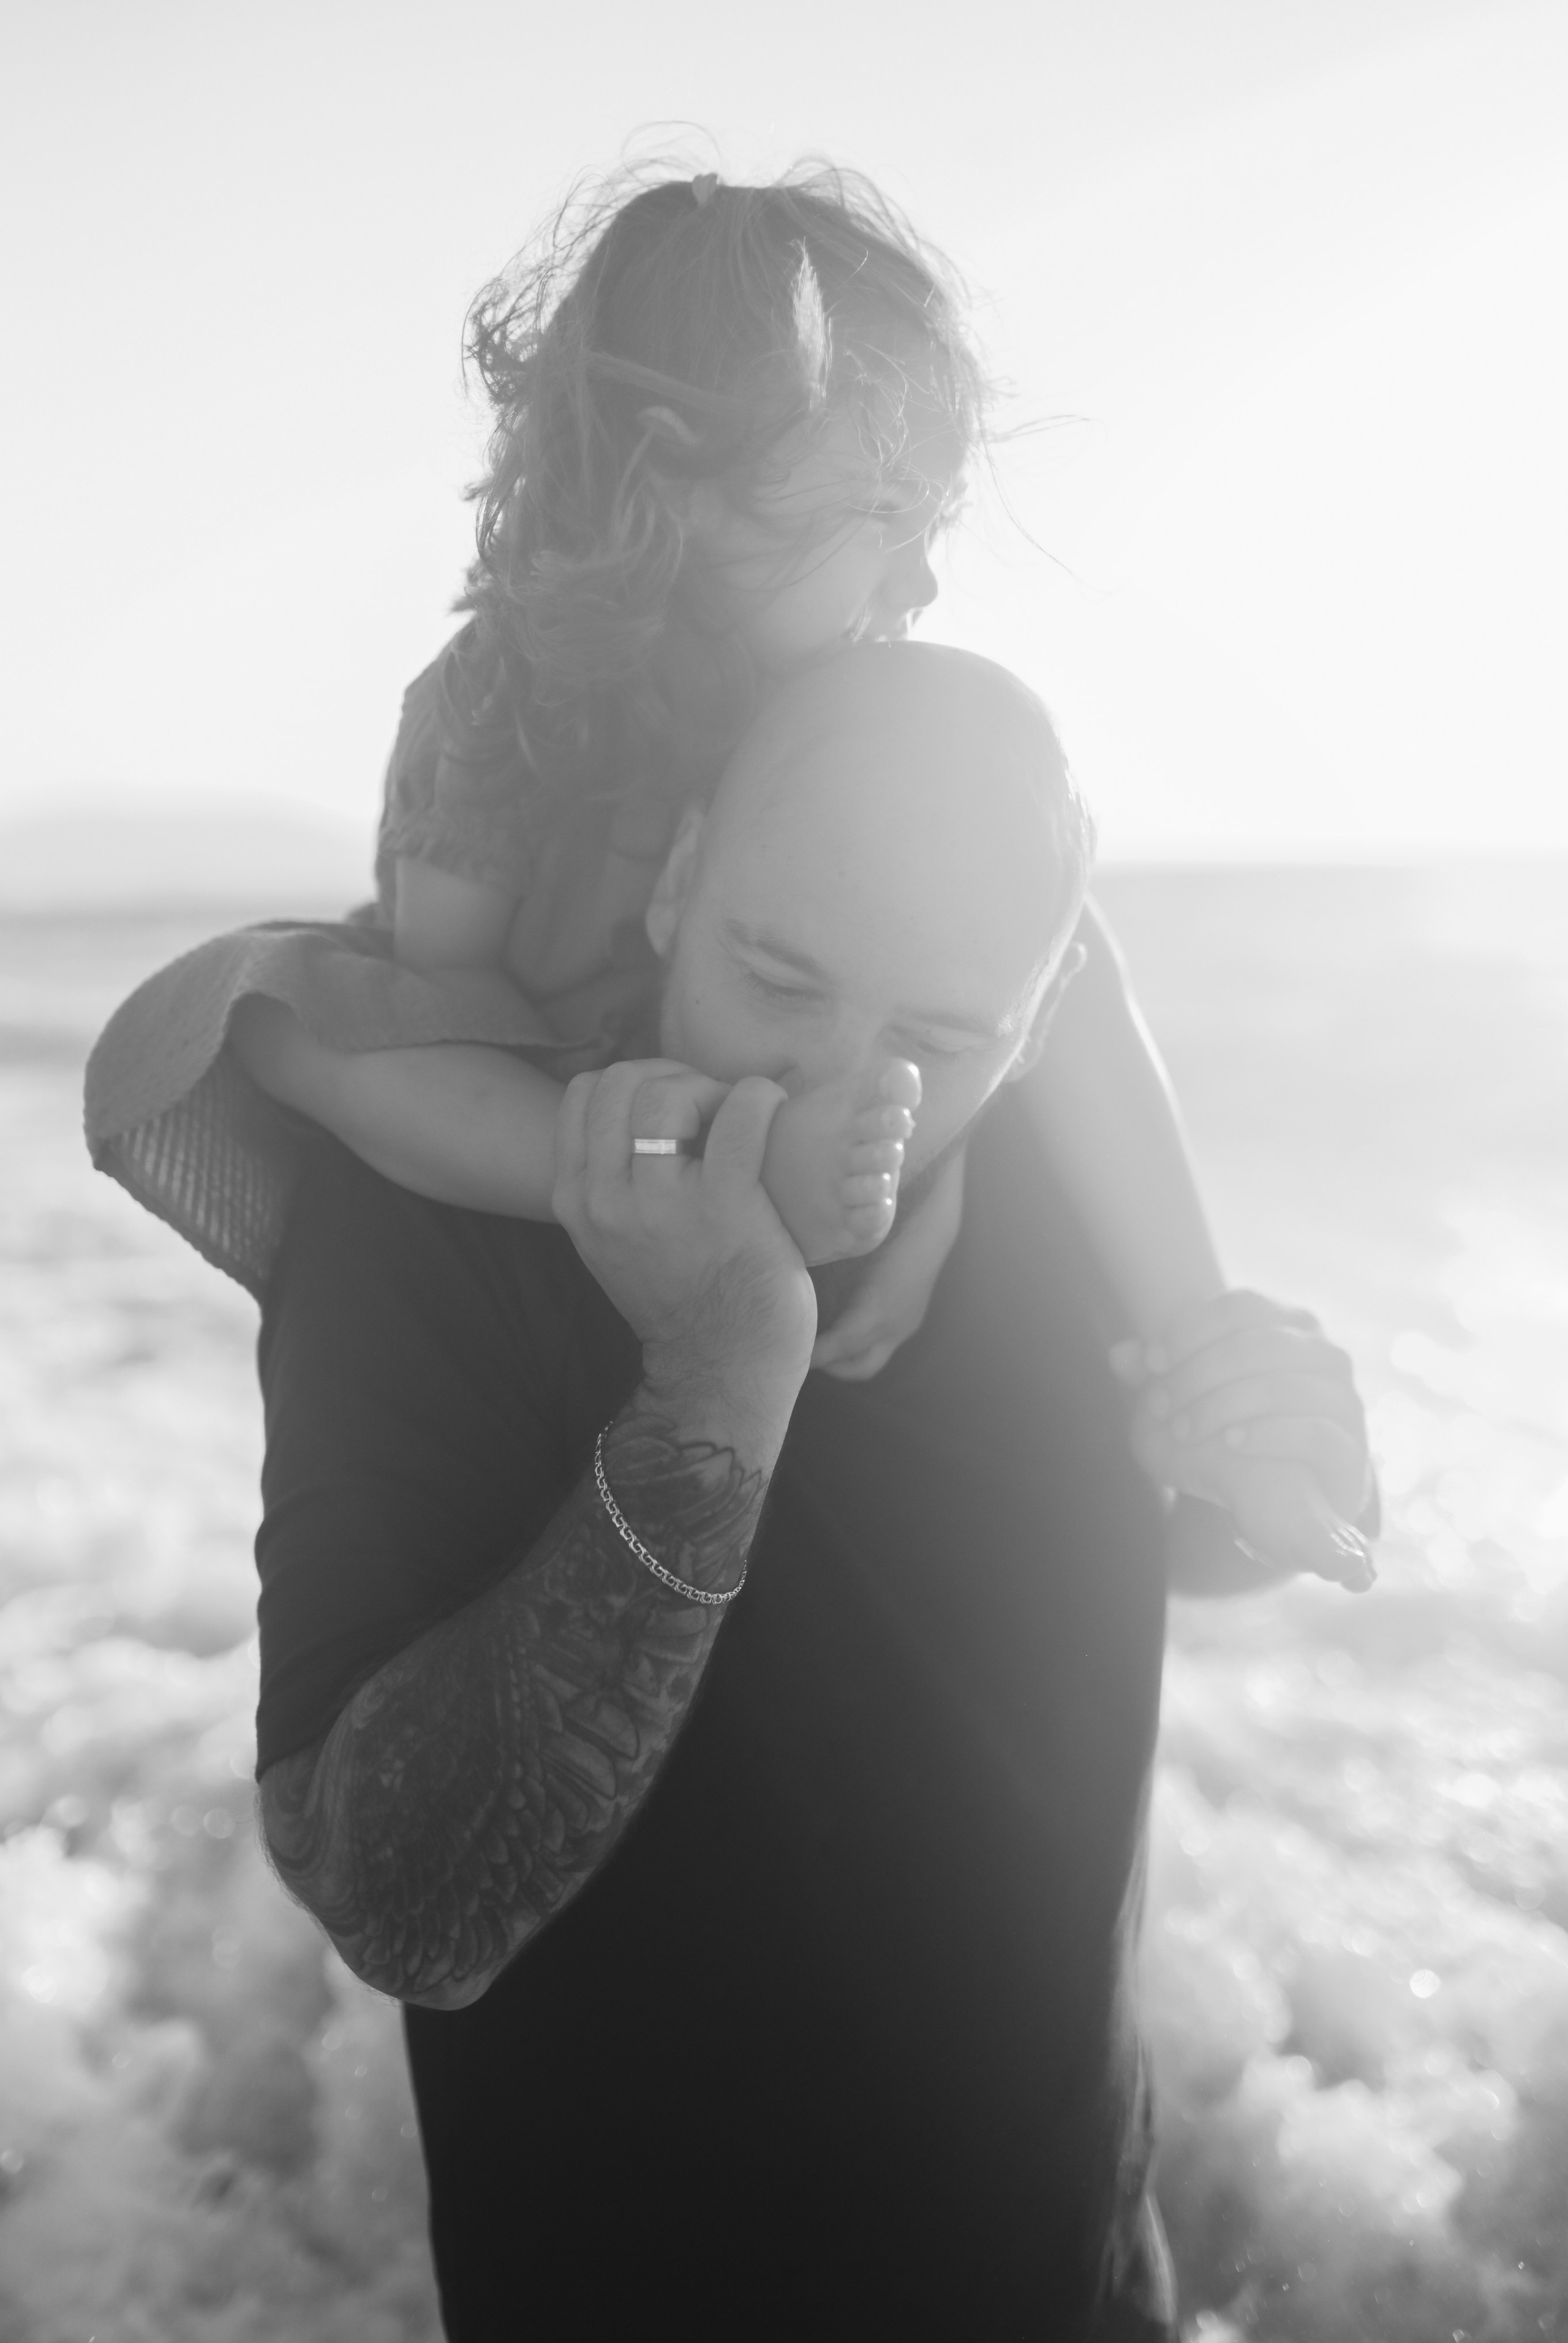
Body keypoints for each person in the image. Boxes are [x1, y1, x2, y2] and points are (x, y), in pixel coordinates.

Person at [253, 644, 1373, 2339]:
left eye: (938, 1034)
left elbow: (1100, 1557)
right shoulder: (426, 1228)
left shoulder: (1064, 1196)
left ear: (1044, 1006)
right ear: (682, 876)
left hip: (1077, 2288)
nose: (847, 1086)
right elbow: (408, 1908)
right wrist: (718, 1376)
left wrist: (1269, 1458)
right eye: (779, 978)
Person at [83, 163, 1374, 1590]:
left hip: (722, 1044)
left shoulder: (832, 686)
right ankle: (712, 1193)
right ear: (672, 473)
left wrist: (943, 1170)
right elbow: (448, 998)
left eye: (924, 516)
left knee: (1076, 953)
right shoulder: (509, 701)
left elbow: (962, 968)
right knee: (305, 1031)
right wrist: (720, 1181)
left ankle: (1211, 1353)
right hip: (539, 1062)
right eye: (876, 508)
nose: (919, 577)